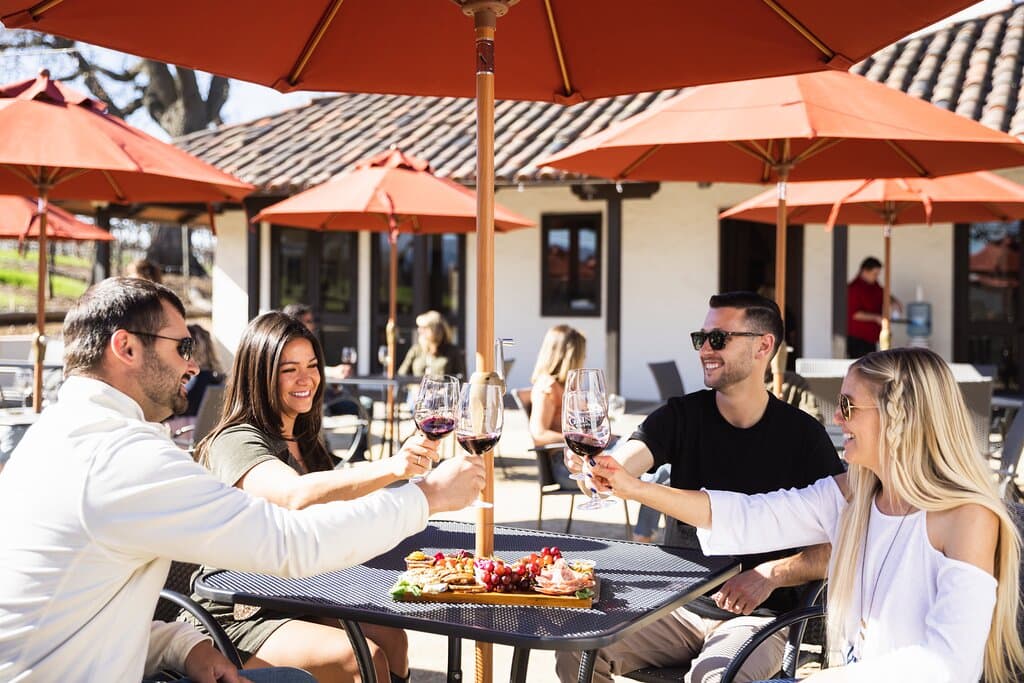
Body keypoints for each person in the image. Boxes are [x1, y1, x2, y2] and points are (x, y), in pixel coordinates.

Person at [0, 277, 485, 682]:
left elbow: (79, 613)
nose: (193, 363)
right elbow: (290, 542)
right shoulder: (119, 456)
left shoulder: (53, 439)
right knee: (356, 658)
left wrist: (178, 645)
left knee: (377, 643)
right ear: (125, 347)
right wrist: (427, 494)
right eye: (183, 344)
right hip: (239, 611)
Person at [592, 347, 1024, 683]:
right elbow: (748, 515)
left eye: (850, 407)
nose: (837, 418)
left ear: (901, 419)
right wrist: (636, 488)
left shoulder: (965, 517)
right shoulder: (856, 494)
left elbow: (950, 665)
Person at [556, 292, 844, 683]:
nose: (705, 349)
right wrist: (599, 471)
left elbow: (836, 549)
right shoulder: (682, 416)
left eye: (719, 338)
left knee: (714, 680)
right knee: (576, 650)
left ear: (764, 346)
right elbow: (628, 460)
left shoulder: (804, 437)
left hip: (756, 620)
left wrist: (771, 574)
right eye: (701, 338)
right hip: (673, 606)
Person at [188, 311, 441, 683]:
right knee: (362, 658)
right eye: (289, 369)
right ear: (259, 376)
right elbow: (296, 496)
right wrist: (396, 466)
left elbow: (339, 506)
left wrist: (408, 474)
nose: (306, 378)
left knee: (392, 638)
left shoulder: (304, 437)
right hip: (235, 616)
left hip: (297, 593)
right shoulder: (235, 440)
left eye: (312, 365)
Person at [528, 324, 588, 489]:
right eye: (582, 354)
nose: (585, 359)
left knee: (652, 468)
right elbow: (539, 434)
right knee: (649, 473)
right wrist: (581, 440)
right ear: (571, 356)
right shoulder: (548, 387)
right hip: (565, 466)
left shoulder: (568, 387)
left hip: (581, 459)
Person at [846, 257, 902, 359]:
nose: (876, 277)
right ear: (864, 271)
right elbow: (855, 314)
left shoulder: (874, 285)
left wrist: (894, 302)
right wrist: (876, 318)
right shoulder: (853, 289)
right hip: (857, 339)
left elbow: (883, 293)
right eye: (874, 274)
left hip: (871, 339)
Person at [397, 310, 466, 379]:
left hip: (443, 388)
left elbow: (462, 378)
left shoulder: (452, 351)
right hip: (417, 389)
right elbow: (401, 375)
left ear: (437, 330)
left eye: (424, 328)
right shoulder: (416, 349)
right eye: (419, 327)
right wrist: (413, 385)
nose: (420, 331)